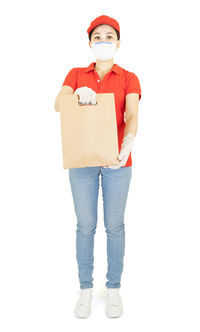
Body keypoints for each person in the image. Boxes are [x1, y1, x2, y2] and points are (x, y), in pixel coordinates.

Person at [54, 15, 142, 318]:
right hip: (83, 161)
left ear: (118, 42)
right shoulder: (77, 73)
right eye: (97, 37)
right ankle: (86, 289)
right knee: (85, 227)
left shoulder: (129, 77)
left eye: (109, 36)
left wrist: (127, 142)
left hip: (118, 161)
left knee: (115, 227)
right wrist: (75, 93)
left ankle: (114, 288)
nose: (103, 41)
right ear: (90, 42)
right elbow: (58, 102)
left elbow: (131, 114)